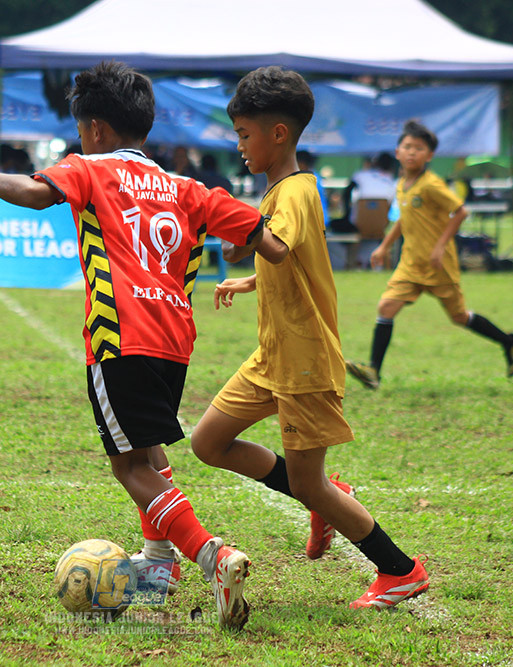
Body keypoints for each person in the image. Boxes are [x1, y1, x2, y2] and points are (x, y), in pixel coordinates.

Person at [0, 61, 268, 630]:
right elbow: (261, 233)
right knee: (149, 448)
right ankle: (159, 564)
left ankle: (210, 556)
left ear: (95, 128)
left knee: (129, 467)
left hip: (120, 338)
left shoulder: (89, 168)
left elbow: (32, 192)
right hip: (175, 340)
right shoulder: (186, 187)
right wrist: (252, 251)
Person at [190, 66, 429, 611]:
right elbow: (288, 260)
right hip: (271, 355)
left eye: (244, 134)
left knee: (310, 483)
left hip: (303, 361)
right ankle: (323, 495)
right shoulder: (280, 191)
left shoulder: (294, 192)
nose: (239, 145)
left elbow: (273, 245)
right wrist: (249, 275)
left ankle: (400, 570)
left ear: (278, 134)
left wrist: (231, 222)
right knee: (208, 443)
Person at [345, 121, 513, 390]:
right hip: (411, 263)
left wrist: (441, 245)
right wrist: (384, 246)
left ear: (429, 156)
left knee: (459, 316)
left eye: (418, 149)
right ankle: (373, 372)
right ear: (397, 152)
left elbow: (461, 211)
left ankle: (510, 341)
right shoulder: (402, 184)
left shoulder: (432, 185)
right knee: (386, 307)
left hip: (438, 265)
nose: (411, 153)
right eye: (407, 147)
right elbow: (405, 219)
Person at [296, 149, 329, 225]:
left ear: (302, 164)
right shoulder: (314, 176)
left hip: (314, 222)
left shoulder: (309, 179)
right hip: (318, 220)